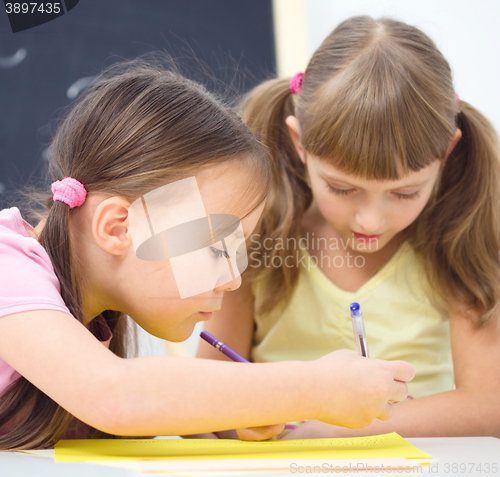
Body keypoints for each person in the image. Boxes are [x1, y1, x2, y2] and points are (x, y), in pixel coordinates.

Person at [0, 58, 414, 450]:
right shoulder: (7, 267)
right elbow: (117, 395)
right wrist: (318, 389)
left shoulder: (87, 323)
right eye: (218, 247)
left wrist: (237, 409)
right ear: (117, 228)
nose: (233, 279)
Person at [198, 16, 500, 439]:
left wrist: (334, 430)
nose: (370, 221)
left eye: (404, 193)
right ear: (299, 143)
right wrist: (240, 426)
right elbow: (200, 405)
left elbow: (488, 407)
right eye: (342, 188)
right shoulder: (260, 235)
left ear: (448, 152)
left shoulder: (460, 239)